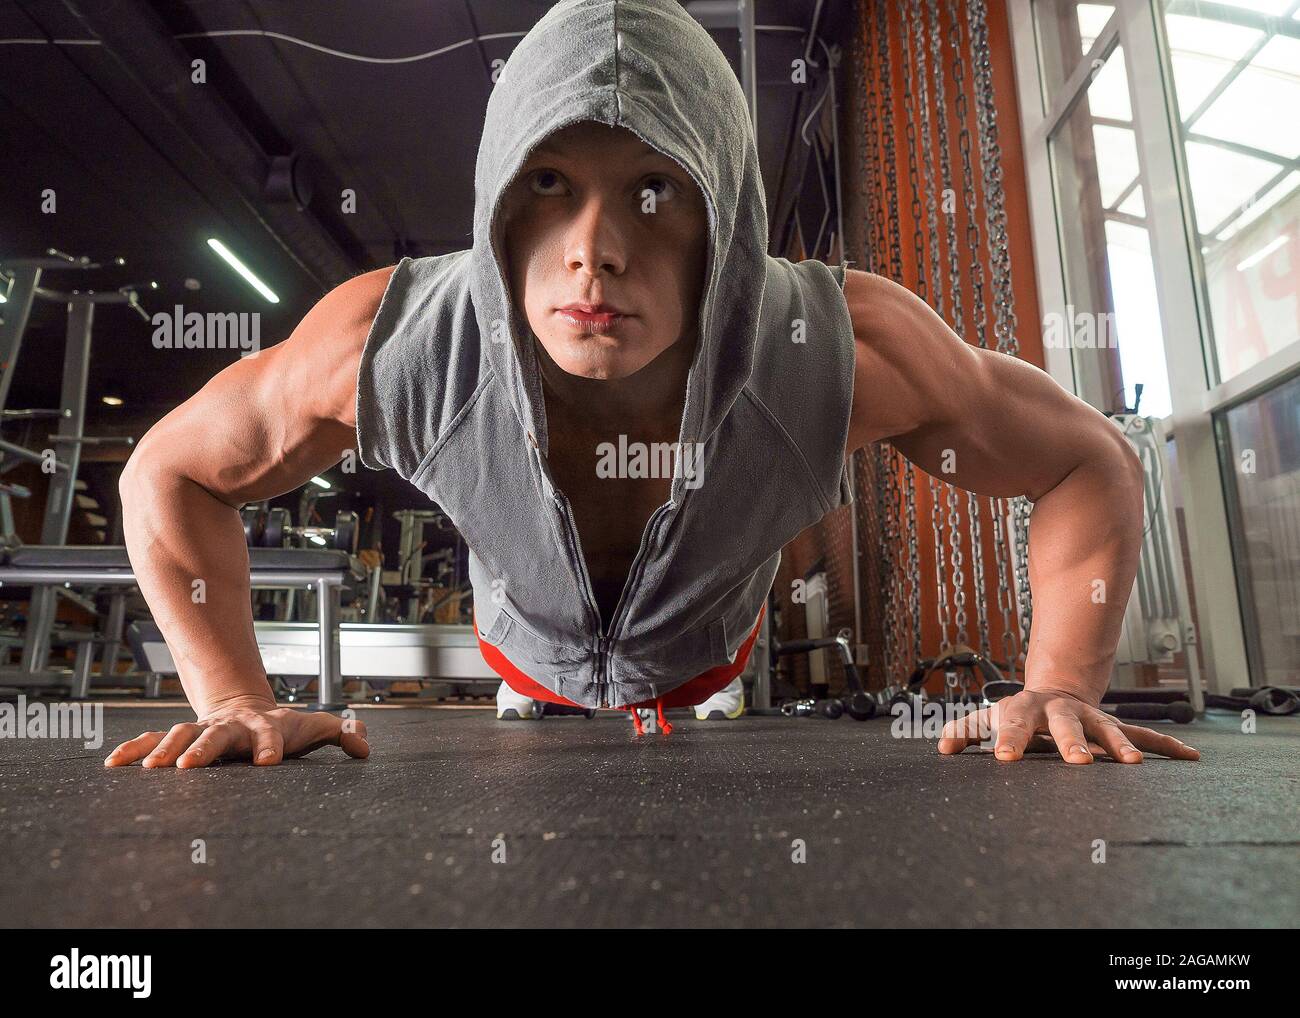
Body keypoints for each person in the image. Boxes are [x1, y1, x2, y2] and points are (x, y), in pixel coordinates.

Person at [106, 0, 1198, 767]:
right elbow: (168, 473)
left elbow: (1085, 460)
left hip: (710, 649)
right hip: (515, 643)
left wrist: (1059, 679)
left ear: (723, 215)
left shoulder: (843, 347)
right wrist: (233, 700)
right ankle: (540, 683)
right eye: (549, 183)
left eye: (652, 192)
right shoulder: (393, 343)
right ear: (498, 203)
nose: (594, 250)